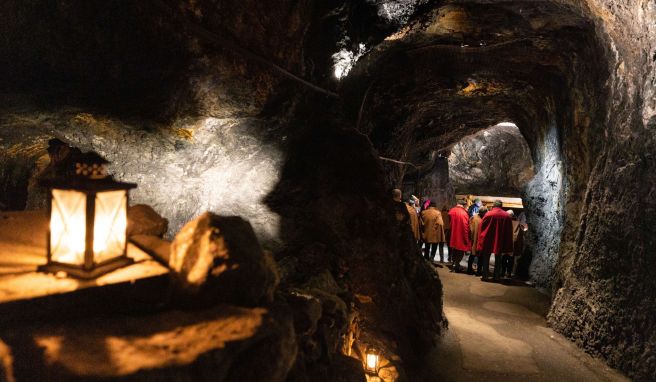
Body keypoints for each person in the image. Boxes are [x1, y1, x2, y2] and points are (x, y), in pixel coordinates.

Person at [476, 200, 514, 281]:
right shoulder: (506, 216)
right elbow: (509, 231)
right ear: (501, 206)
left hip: (488, 239)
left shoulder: (488, 214)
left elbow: (481, 227)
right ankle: (496, 277)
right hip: (500, 240)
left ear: (493, 206)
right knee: (498, 259)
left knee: (486, 258)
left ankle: (485, 276)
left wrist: (480, 239)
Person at [448, 199, 471, 272]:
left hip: (452, 233)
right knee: (460, 250)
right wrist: (467, 237)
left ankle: (454, 263)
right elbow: (465, 226)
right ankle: (456, 264)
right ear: (463, 205)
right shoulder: (464, 213)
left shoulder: (451, 211)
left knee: (454, 249)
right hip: (461, 234)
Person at [467, 207, 487, 275]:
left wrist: (471, 239)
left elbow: (470, 229)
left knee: (472, 255)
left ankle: (469, 270)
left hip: (474, 240)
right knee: (480, 257)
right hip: (480, 240)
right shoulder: (483, 219)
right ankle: (478, 271)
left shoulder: (473, 218)